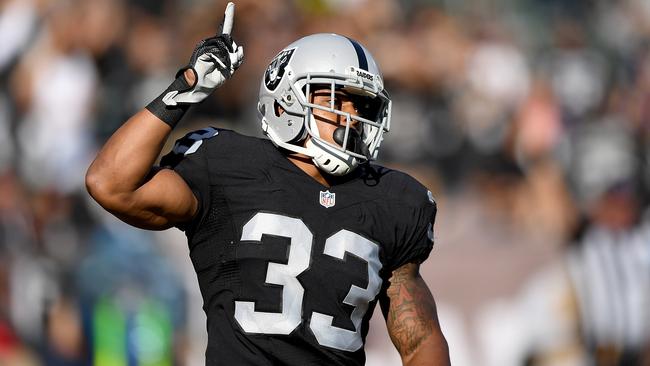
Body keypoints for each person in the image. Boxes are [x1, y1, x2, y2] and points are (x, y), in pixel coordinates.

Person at [85, 3, 450, 365]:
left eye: (361, 106)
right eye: (335, 100)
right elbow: (112, 184)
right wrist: (188, 86)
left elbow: (420, 342)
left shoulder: (392, 200)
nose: (351, 118)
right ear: (287, 99)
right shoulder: (227, 165)